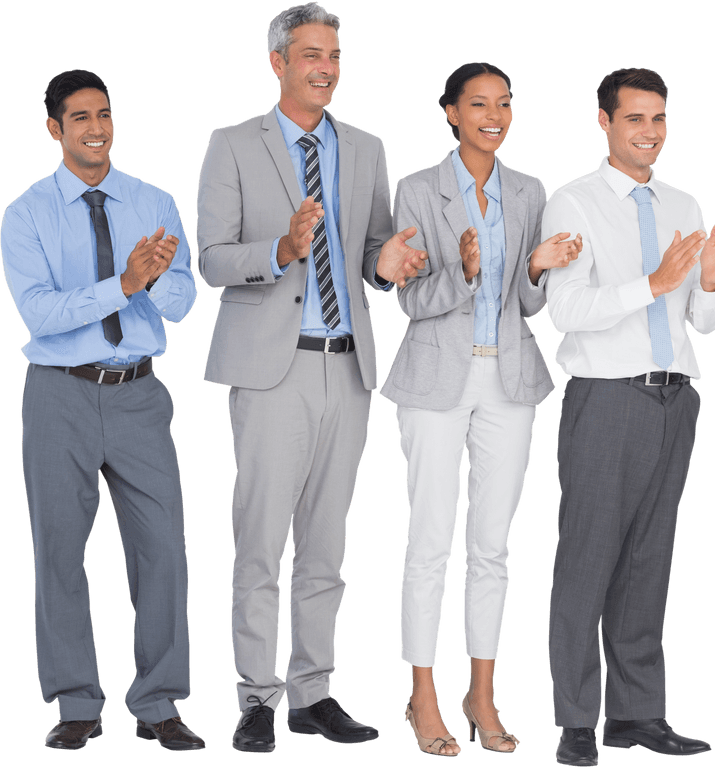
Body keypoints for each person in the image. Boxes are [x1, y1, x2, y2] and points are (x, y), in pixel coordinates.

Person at [195, 2, 426, 754]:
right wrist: (283, 247)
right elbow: (211, 259)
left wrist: (387, 266)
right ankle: (255, 695)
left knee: (326, 543)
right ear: (278, 62)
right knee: (261, 537)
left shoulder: (365, 147)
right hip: (270, 369)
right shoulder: (232, 143)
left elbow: (371, 250)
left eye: (334, 54)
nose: (325, 66)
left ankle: (312, 691)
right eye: (310, 54)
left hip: (347, 368)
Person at [543, 67, 715, 768]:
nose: (649, 131)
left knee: (649, 562)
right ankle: (576, 718)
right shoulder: (573, 202)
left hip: (676, 396)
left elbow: (703, 320)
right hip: (607, 395)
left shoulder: (684, 204)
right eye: (635, 118)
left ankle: (636, 713)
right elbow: (566, 310)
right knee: (587, 558)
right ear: (604, 121)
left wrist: (711, 281)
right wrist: (651, 283)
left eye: (659, 118)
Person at [1, 69, 204, 752]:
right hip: (59, 392)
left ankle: (160, 702)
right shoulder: (26, 213)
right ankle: (77, 701)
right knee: (58, 548)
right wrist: (124, 281)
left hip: (140, 392)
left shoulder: (153, 201)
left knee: (164, 549)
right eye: (81, 117)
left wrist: (154, 282)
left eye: (106, 114)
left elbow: (182, 301)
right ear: (55, 129)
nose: (97, 128)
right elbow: (40, 313)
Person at [382, 61, 580, 758]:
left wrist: (534, 267)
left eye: (504, 104)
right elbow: (407, 300)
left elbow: (531, 306)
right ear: (450, 112)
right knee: (431, 540)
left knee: (492, 545)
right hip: (436, 381)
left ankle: (483, 690)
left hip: (510, 381)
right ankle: (424, 692)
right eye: (478, 104)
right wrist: (462, 273)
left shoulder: (528, 190)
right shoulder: (413, 190)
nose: (493, 115)